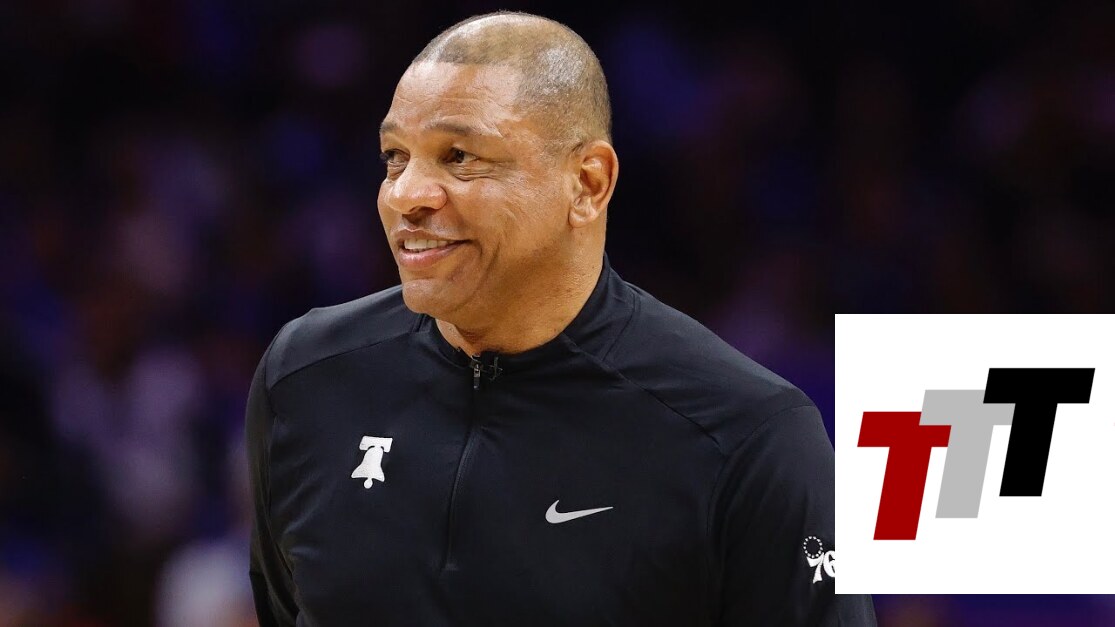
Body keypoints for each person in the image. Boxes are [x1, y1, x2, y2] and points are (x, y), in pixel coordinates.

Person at [246, 10, 876, 626]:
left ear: (588, 184)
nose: (407, 194)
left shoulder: (746, 436)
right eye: (394, 156)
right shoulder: (303, 378)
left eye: (459, 156)